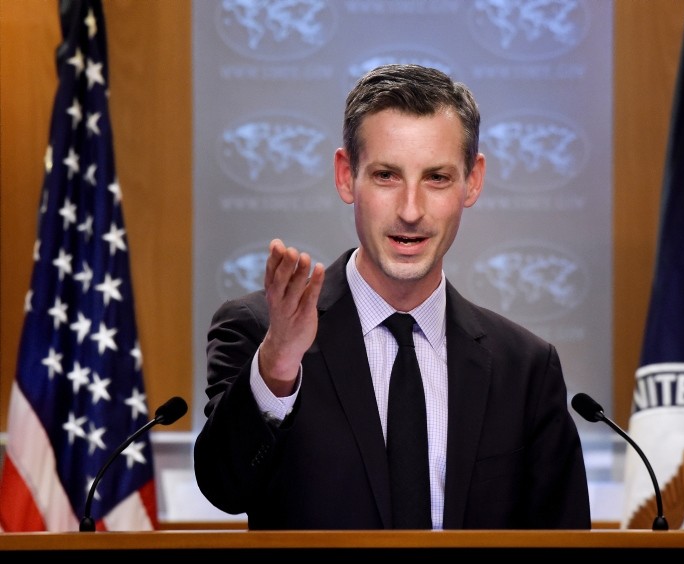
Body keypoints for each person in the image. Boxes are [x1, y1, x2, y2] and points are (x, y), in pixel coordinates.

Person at [194, 63, 591, 530]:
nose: (411, 210)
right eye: (386, 176)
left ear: (473, 180)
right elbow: (224, 488)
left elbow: (563, 542)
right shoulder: (260, 332)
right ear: (346, 176)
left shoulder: (524, 369)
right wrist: (277, 367)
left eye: (437, 178)